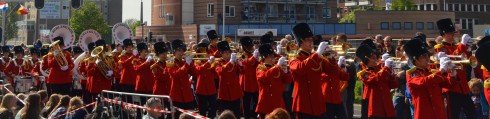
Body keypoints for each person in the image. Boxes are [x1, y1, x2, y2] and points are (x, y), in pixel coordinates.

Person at [289, 23, 342, 119]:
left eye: (311, 39)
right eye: (308, 40)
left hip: (318, 104)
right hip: (303, 105)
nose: (311, 42)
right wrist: (317, 54)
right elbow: (301, 68)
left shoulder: (318, 58)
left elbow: (333, 73)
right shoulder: (294, 58)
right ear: (300, 42)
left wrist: (332, 59)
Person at [405, 38, 456, 119]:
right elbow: (423, 82)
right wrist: (441, 70)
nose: (428, 58)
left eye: (428, 55)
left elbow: (449, 85)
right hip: (425, 114)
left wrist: (452, 74)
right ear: (415, 59)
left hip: (439, 114)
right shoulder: (412, 74)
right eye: (424, 56)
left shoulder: (432, 72)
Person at [435, 18, 476, 119]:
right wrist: (462, 45)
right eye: (450, 34)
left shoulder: (456, 46)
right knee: (453, 115)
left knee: (472, 114)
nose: (452, 35)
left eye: (453, 33)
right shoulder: (440, 48)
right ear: (443, 34)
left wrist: (468, 48)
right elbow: (450, 60)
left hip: (463, 86)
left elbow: (466, 60)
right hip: (451, 87)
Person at [356, 41, 398, 118]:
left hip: (388, 106)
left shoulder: (381, 69)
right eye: (373, 58)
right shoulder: (364, 73)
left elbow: (393, 85)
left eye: (375, 57)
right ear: (367, 60)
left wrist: (392, 74)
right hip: (377, 108)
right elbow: (375, 79)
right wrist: (386, 68)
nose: (376, 59)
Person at [255, 44, 292, 118]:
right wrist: (277, 66)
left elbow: (288, 80)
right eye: (270, 56)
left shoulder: (276, 68)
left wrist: (286, 71)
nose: (273, 58)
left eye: (273, 56)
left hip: (278, 102)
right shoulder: (260, 68)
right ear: (264, 57)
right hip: (266, 103)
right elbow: (264, 77)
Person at [215, 41, 243, 118]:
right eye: (226, 53)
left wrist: (241, 64)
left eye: (229, 52)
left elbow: (242, 72)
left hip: (235, 92)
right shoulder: (218, 62)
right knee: (226, 115)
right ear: (221, 54)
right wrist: (230, 62)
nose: (228, 54)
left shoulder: (234, 62)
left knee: (237, 115)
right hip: (225, 93)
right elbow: (220, 72)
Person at [190, 41, 218, 118]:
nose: (204, 53)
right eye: (201, 51)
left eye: (205, 51)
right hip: (201, 89)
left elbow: (216, 72)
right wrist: (208, 62)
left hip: (211, 88)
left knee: (213, 108)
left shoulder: (210, 59)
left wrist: (215, 64)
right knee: (202, 110)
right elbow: (198, 70)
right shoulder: (197, 61)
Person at [168, 39, 195, 117]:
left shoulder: (185, 62)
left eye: (182, 50)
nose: (181, 52)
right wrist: (187, 64)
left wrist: (191, 63)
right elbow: (176, 74)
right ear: (174, 51)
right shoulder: (170, 62)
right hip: (177, 96)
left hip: (187, 96)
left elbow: (195, 73)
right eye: (179, 50)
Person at [239, 36, 260, 119]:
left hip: (254, 82)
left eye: (251, 46)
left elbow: (257, 65)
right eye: (248, 47)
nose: (250, 48)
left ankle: (254, 115)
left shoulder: (252, 55)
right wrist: (254, 57)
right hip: (246, 83)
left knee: (257, 101)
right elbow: (247, 63)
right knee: (246, 104)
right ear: (244, 47)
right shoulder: (241, 55)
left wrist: (257, 59)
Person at [150, 42, 172, 118]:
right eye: (162, 54)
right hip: (159, 92)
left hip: (168, 91)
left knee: (170, 112)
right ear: (158, 55)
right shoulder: (155, 66)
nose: (165, 55)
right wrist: (168, 68)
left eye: (165, 53)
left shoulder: (168, 63)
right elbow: (162, 77)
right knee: (160, 115)